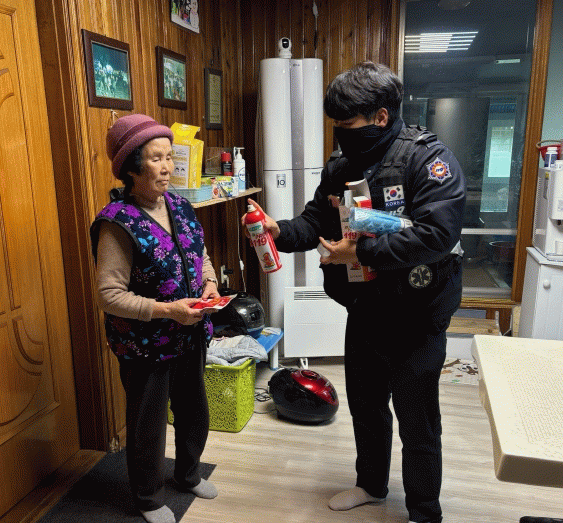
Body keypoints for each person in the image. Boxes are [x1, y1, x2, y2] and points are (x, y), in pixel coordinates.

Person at [243, 62, 466, 523]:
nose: (340, 133)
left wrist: (361, 253)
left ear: (381, 117)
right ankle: (371, 486)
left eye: (347, 123)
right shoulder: (342, 166)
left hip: (417, 314)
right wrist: (278, 230)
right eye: (336, 124)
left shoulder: (427, 160)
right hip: (366, 309)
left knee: (418, 420)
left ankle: (425, 511)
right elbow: (314, 222)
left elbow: (437, 235)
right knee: (366, 407)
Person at [90, 114, 220, 523]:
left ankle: (188, 474)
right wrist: (168, 311)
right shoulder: (117, 222)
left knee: (194, 412)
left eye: (170, 157)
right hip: (145, 344)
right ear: (132, 167)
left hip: (190, 335)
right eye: (156, 159)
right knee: (148, 424)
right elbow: (109, 295)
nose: (168, 167)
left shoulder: (180, 206)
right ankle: (147, 498)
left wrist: (210, 283)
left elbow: (200, 255)